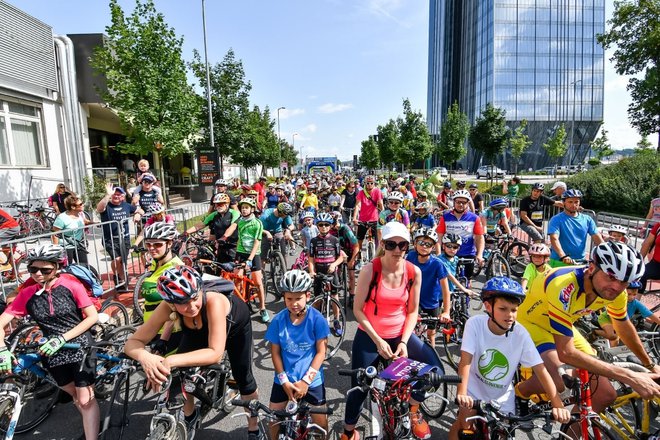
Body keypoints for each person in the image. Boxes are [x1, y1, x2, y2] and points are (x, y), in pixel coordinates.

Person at [516, 241, 660, 415]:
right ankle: (519, 394)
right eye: (611, 277)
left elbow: (623, 327)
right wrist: (629, 376)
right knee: (559, 381)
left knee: (605, 395)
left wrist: (650, 365)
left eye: (625, 282)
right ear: (592, 268)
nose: (617, 287)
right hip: (532, 323)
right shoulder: (563, 284)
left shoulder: (617, 293)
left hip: (562, 324)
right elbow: (566, 353)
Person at [124, 265, 262, 440]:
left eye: (194, 298)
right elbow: (132, 343)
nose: (191, 306)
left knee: (244, 378)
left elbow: (215, 353)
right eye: (182, 303)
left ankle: (253, 429)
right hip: (196, 329)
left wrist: (169, 360)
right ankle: (189, 417)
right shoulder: (168, 306)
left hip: (236, 327)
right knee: (182, 373)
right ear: (172, 303)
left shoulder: (214, 301)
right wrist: (145, 357)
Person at [342, 222, 444, 440]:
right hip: (370, 335)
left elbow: (412, 312)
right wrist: (379, 341)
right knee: (358, 390)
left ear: (408, 247)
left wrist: (404, 342)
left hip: (400, 334)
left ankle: (413, 411)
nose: (397, 250)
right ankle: (348, 431)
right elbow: (358, 310)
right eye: (391, 244)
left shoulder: (413, 271)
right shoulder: (371, 269)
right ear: (383, 245)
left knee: (437, 372)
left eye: (402, 245)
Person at [449, 277, 570, 440]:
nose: (510, 315)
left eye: (514, 310)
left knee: (505, 435)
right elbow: (465, 361)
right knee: (464, 427)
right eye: (503, 309)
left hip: (502, 397)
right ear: (488, 307)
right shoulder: (475, 324)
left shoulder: (520, 333)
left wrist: (558, 405)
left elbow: (541, 370)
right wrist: (462, 393)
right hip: (473, 391)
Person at [0, 244, 100, 440]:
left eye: (44, 270)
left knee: (85, 400)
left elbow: (91, 317)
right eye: (32, 269)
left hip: (78, 344)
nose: (37, 274)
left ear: (57, 267)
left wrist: (62, 338)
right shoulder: (28, 294)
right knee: (76, 395)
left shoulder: (71, 285)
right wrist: (2, 349)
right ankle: (91, 424)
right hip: (51, 350)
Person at [265, 270, 330, 439]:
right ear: (284, 297)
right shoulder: (278, 320)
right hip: (284, 378)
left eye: (298, 298)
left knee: (321, 424)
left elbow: (321, 352)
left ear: (307, 295)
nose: (294, 304)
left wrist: (306, 381)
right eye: (289, 299)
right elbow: (275, 353)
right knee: (273, 420)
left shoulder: (317, 319)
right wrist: (284, 382)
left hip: (311, 378)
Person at [407, 227, 451, 347]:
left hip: (432, 303)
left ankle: (432, 355)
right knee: (410, 330)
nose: (424, 246)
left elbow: (446, 291)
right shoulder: (410, 257)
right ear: (415, 243)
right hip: (414, 301)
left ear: (433, 247)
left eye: (428, 244)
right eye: (421, 242)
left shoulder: (437, 264)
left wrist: (446, 312)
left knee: (431, 333)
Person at [96, 183, 141, 290]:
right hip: (110, 239)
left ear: (123, 196)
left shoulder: (126, 206)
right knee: (117, 259)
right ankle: (118, 277)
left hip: (124, 239)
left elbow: (139, 209)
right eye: (114, 194)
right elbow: (99, 208)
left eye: (119, 195)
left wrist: (138, 213)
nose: (116, 196)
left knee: (122, 262)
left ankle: (121, 280)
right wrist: (107, 195)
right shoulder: (107, 206)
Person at [308, 212, 345, 336]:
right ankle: (316, 321)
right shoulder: (313, 241)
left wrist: (334, 264)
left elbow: (341, 257)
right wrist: (312, 272)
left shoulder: (335, 240)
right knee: (317, 298)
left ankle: (336, 320)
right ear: (317, 226)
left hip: (332, 273)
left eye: (326, 225)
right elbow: (311, 259)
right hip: (318, 272)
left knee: (334, 296)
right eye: (321, 225)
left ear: (330, 226)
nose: (323, 227)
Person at [435, 189, 484, 279]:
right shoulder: (445, 217)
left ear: (468, 203)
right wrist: (438, 254)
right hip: (449, 253)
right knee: (448, 282)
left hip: (468, 254)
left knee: (467, 280)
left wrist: (479, 255)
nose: (460, 204)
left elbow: (479, 238)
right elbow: (439, 237)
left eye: (463, 202)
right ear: (454, 202)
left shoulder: (474, 218)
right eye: (458, 202)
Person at [235, 197, 269, 323]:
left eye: (246, 208)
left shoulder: (257, 223)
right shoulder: (240, 222)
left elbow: (256, 243)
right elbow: (239, 238)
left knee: (258, 282)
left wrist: (249, 259)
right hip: (241, 252)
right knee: (237, 280)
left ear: (252, 209)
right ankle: (239, 306)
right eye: (242, 208)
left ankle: (262, 308)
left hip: (254, 255)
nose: (244, 210)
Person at [595, 281, 660, 347]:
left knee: (616, 342)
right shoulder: (617, 299)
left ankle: (608, 355)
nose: (632, 297)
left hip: (619, 322)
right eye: (629, 294)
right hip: (606, 319)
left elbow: (649, 314)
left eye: (634, 294)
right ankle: (594, 332)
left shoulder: (635, 303)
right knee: (612, 336)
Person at [547, 189, 602, 267]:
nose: (573, 205)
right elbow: (554, 238)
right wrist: (563, 256)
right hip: (560, 261)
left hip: (580, 262)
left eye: (576, 202)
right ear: (563, 203)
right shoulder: (556, 219)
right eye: (570, 202)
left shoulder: (587, 219)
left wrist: (607, 250)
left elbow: (597, 237)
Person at [188, 193, 239, 264]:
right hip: (221, 246)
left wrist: (224, 237)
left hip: (233, 246)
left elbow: (233, 226)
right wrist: (186, 233)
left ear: (227, 204)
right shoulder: (214, 215)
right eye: (216, 204)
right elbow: (200, 225)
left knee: (232, 269)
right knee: (219, 266)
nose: (218, 206)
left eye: (221, 204)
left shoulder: (234, 213)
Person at [52, 195, 94, 265]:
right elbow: (55, 234)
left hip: (79, 245)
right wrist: (56, 250)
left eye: (82, 203)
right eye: (80, 204)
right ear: (73, 207)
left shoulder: (80, 214)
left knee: (84, 266)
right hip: (66, 247)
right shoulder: (62, 218)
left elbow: (84, 221)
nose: (83, 205)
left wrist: (96, 223)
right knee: (66, 268)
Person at [330, 212, 360, 300]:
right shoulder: (329, 230)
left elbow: (356, 246)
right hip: (337, 253)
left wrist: (352, 261)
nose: (329, 227)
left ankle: (352, 295)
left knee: (351, 275)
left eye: (331, 224)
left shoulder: (345, 228)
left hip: (349, 252)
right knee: (336, 272)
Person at [437, 233, 476, 299]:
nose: (452, 249)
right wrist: (464, 289)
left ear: (458, 248)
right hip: (440, 292)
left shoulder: (455, 258)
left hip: (451, 289)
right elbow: (449, 276)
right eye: (449, 246)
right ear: (443, 246)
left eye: (455, 247)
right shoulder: (440, 260)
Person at [353, 175, 384, 255]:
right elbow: (357, 205)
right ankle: (358, 256)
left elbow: (381, 204)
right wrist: (354, 218)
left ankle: (380, 254)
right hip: (363, 219)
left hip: (375, 219)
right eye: (368, 183)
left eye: (371, 183)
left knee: (379, 238)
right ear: (365, 183)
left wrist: (383, 216)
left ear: (374, 183)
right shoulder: (361, 192)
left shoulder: (377, 191)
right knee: (359, 240)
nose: (369, 185)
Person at [639, 219, 660, 293]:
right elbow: (647, 243)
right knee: (640, 274)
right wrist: (639, 262)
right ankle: (634, 302)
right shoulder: (658, 226)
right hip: (656, 264)